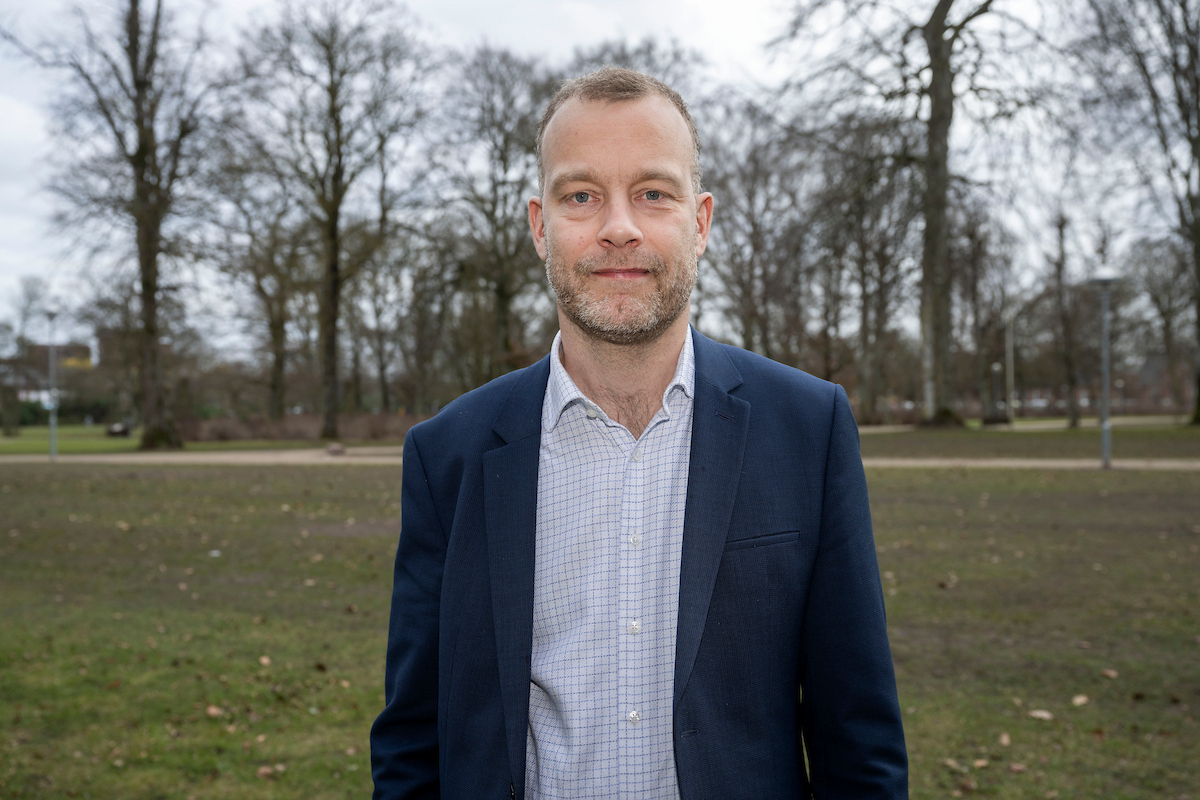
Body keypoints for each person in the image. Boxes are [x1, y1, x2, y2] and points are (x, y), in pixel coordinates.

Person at [370, 66, 907, 800]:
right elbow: (413, 742)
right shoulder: (447, 456)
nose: (618, 227)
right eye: (581, 196)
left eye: (653, 193)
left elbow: (861, 746)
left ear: (700, 222)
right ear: (539, 226)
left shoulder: (808, 432)